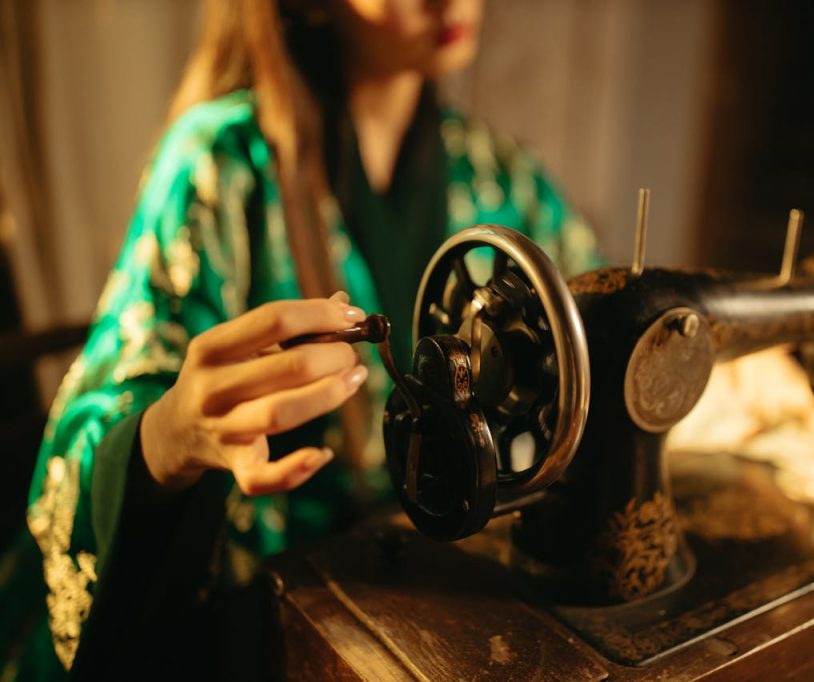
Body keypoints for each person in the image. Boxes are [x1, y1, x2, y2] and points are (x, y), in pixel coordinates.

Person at [3, 0, 602, 678]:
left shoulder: (501, 172)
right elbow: (110, 403)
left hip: (454, 597)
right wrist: (169, 435)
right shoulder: (220, 163)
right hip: (283, 619)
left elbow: (597, 328)